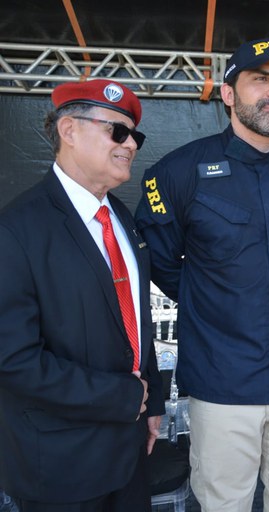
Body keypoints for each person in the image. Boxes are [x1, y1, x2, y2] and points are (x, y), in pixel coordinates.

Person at [134, 38, 269, 512]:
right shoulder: (178, 172)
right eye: (260, 79)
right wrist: (215, 302)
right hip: (224, 385)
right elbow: (158, 262)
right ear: (227, 94)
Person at [0, 79, 163, 511]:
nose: (130, 145)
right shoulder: (16, 230)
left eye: (135, 136)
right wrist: (123, 397)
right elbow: (12, 360)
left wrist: (153, 404)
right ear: (69, 130)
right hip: (60, 466)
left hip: (129, 454)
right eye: (117, 131)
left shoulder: (123, 219)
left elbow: (137, 322)